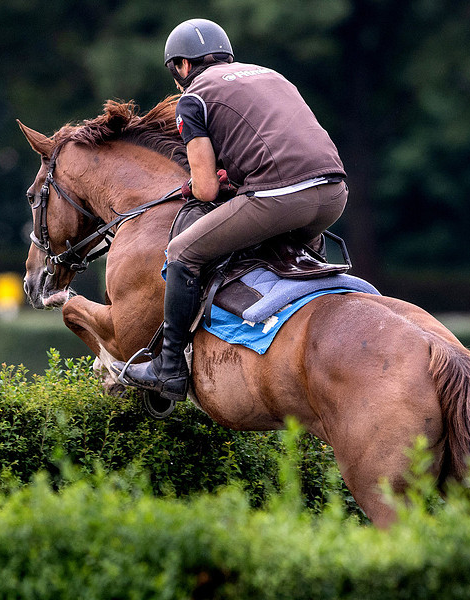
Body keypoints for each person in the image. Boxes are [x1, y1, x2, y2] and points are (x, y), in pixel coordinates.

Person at [116, 18, 348, 402]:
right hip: (333, 196)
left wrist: (202, 182)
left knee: (183, 252)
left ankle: (169, 367)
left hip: (281, 199)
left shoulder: (192, 98)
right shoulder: (271, 75)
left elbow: (205, 189)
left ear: (182, 66)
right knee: (281, 253)